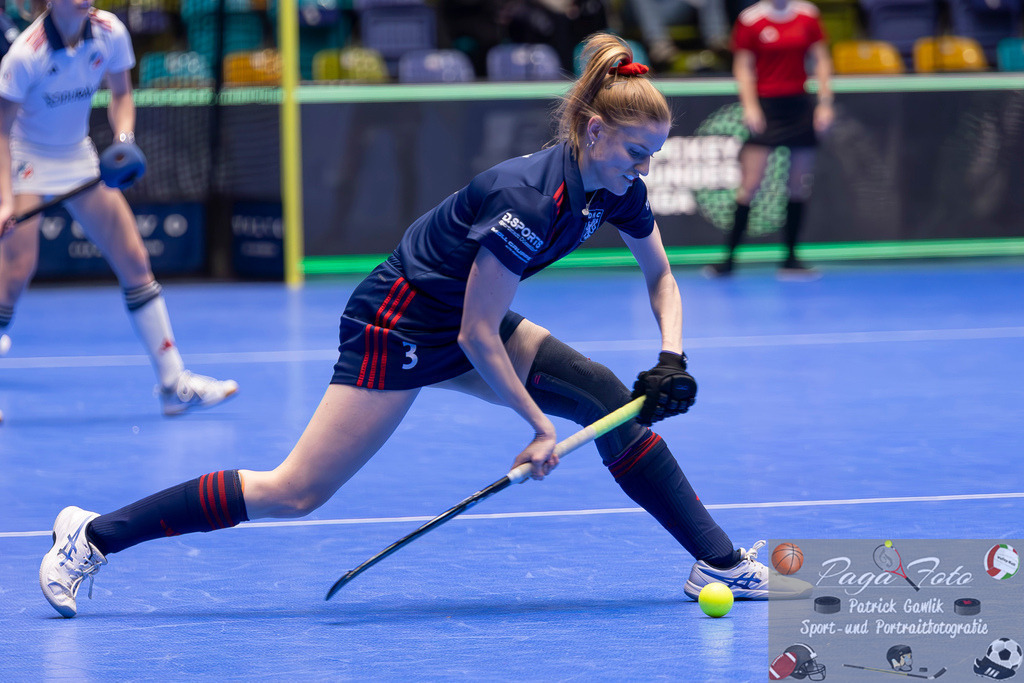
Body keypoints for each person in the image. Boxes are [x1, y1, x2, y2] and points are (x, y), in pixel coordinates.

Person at [38, 32, 812, 618]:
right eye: (636, 152)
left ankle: (718, 561)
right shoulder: (527, 199)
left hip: (460, 313)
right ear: (594, 130)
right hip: (399, 323)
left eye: (654, 156)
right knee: (295, 491)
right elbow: (477, 333)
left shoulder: (616, 187)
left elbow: (662, 275)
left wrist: (672, 356)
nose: (643, 169)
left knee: (609, 395)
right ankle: (94, 535)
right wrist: (538, 425)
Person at [0, 0, 238, 417]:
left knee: (134, 260)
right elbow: (1, 130)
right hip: (26, 157)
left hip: (77, 156)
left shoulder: (110, 32)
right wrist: (5, 199)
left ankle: (173, 385)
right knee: (14, 275)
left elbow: (122, 93)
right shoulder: (25, 54)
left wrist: (124, 139)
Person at [702, 0, 833, 280]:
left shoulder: (808, 15)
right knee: (750, 184)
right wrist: (750, 106)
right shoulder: (750, 20)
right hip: (766, 105)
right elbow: (743, 66)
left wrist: (824, 103)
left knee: (798, 184)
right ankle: (728, 259)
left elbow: (821, 59)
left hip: (799, 105)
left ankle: (791, 259)